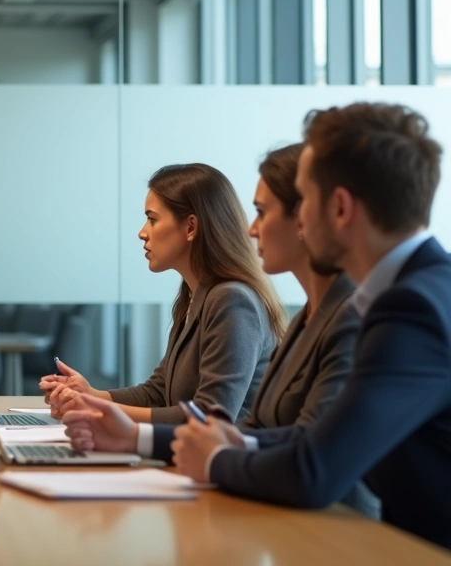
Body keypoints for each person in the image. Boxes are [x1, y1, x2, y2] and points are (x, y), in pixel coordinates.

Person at [69, 103, 451, 549]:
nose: (295, 218)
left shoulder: (412, 308)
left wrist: (214, 460)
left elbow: (314, 469)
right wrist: (138, 437)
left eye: (304, 199)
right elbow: (292, 438)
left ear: (340, 208)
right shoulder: (401, 295)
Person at [63, 143, 377, 516]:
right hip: (269, 497)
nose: (252, 229)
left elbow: (219, 418)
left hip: (324, 518)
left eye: (152, 219)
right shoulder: (210, 300)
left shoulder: (237, 300)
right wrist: (107, 408)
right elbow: (240, 423)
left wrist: (125, 426)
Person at [42, 164, 286, 424]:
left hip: (226, 450)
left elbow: (209, 416)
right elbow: (158, 392)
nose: (142, 233)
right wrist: (92, 396)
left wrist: (96, 409)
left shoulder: (232, 301)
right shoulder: (194, 296)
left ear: (191, 227)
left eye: (152, 219)